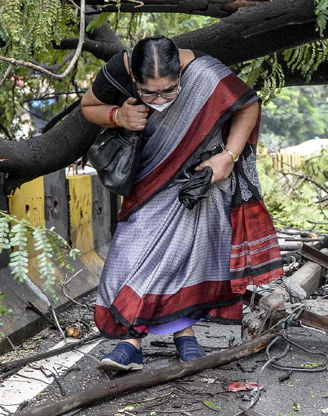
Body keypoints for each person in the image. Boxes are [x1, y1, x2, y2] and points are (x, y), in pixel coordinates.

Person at [79, 36, 283, 374]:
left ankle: (176, 335)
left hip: (200, 180)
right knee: (130, 253)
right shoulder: (121, 68)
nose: (159, 100)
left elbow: (249, 106)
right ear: (135, 78)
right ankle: (134, 340)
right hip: (148, 178)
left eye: (169, 91)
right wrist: (118, 115)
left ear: (180, 75)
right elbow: (89, 107)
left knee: (184, 258)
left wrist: (227, 159)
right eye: (149, 93)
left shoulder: (204, 73)